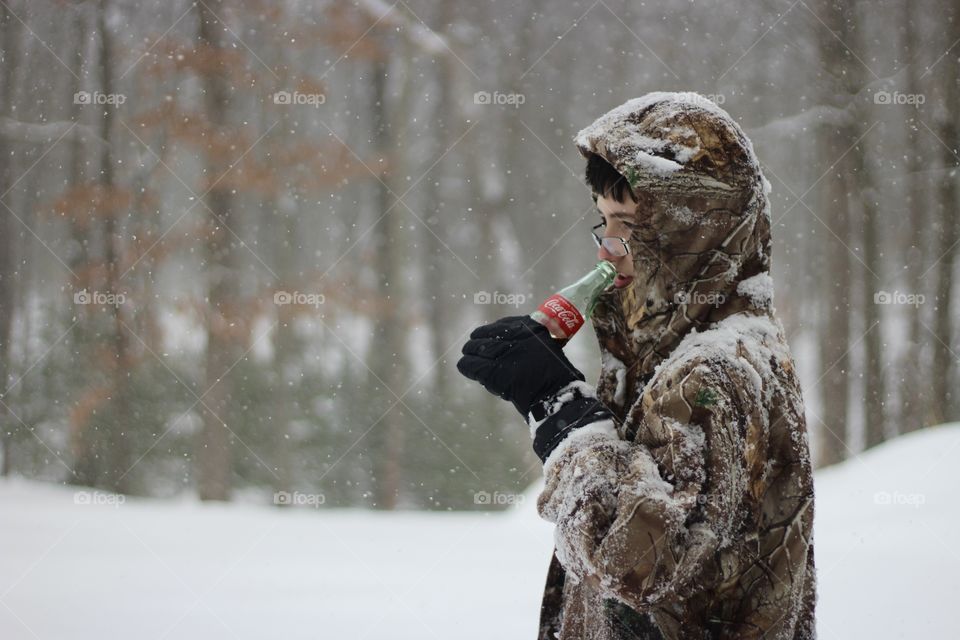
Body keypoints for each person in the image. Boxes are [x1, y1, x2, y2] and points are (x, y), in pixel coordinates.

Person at [457, 92, 817, 639]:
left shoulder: (713, 372)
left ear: (689, 229)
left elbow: (632, 562)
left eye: (627, 224)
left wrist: (562, 412)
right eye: (604, 223)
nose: (609, 248)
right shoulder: (687, 347)